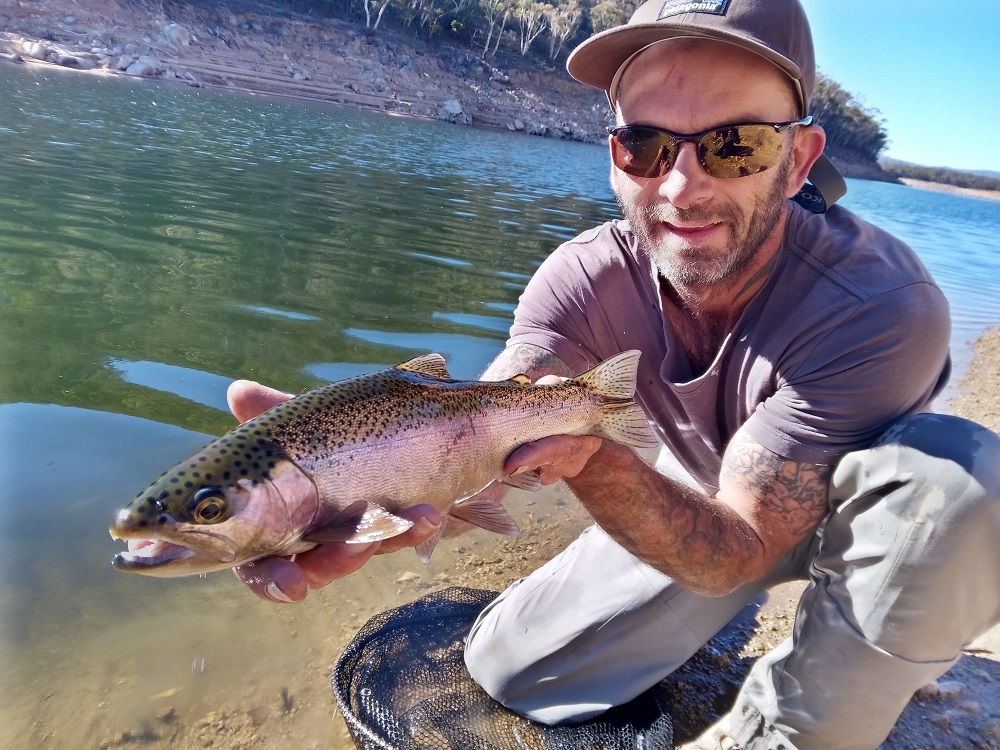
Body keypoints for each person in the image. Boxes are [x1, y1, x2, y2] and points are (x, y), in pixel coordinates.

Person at [227, 0, 1000, 747]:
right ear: (614, 156)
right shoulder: (581, 278)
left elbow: (743, 545)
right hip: (714, 484)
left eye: (736, 145)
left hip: (855, 512)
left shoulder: (881, 306)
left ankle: (849, 678)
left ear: (798, 159)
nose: (681, 187)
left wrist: (592, 459)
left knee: (958, 486)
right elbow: (501, 414)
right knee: (506, 670)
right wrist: (398, 479)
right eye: (647, 144)